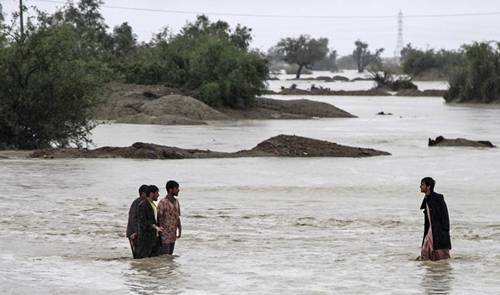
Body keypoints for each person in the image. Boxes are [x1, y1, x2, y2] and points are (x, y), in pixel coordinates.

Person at [419, 177, 451, 261]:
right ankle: (430, 265)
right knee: (427, 248)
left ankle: (437, 265)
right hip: (431, 229)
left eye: (422, 184)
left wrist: (445, 229)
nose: (420, 186)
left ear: (428, 186)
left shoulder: (438, 198)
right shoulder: (426, 198)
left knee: (437, 251)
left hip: (438, 230)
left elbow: (445, 214)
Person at [135, 185, 162, 259]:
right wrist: (153, 226)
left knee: (154, 261)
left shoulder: (153, 204)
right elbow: (142, 221)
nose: (158, 195)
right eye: (157, 193)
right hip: (146, 239)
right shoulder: (142, 205)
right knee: (144, 260)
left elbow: (155, 220)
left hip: (155, 238)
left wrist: (158, 227)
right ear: (151, 194)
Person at [157, 180, 182, 255]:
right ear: (170, 189)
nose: (178, 190)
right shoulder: (163, 202)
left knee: (170, 257)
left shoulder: (176, 202)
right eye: (176, 188)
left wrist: (180, 228)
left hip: (173, 234)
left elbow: (177, 216)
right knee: (165, 256)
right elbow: (158, 218)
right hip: (164, 235)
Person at [126, 184, 148, 258]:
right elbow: (133, 219)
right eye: (147, 193)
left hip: (138, 233)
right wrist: (136, 232)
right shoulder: (137, 203)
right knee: (137, 255)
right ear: (142, 193)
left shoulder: (144, 203)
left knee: (140, 255)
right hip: (133, 233)